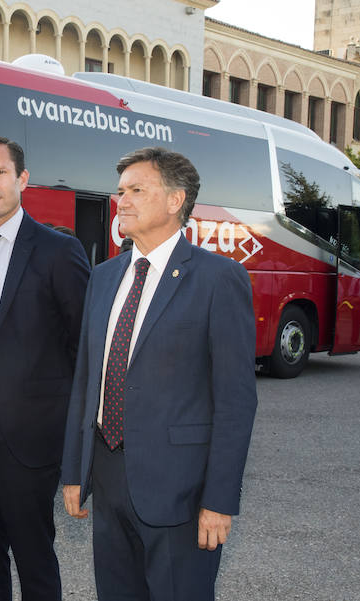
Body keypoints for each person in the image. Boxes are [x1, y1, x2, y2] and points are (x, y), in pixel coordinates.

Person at [61, 147, 258, 601]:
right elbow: (86, 381)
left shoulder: (217, 278)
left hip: (182, 493)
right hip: (109, 479)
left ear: (175, 201)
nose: (121, 201)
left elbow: (235, 401)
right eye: (120, 191)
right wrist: (75, 470)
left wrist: (219, 501)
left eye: (136, 190)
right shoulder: (104, 277)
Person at [0, 136, 90, 601]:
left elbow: (82, 347)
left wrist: (73, 438)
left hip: (29, 440)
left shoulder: (56, 251)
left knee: (34, 559)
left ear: (22, 179)